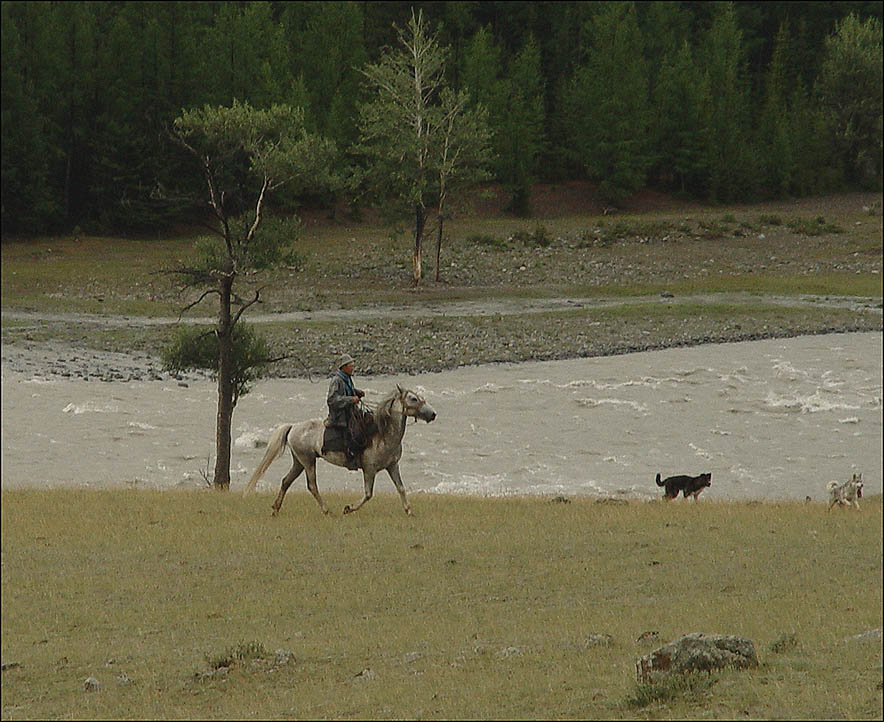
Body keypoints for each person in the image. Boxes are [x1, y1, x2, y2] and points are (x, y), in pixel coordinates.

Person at [326, 353, 367, 469]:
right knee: (356, 433)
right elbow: (332, 399)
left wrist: (357, 392)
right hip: (340, 415)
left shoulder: (346, 378)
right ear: (344, 367)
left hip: (350, 411)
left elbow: (348, 391)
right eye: (351, 366)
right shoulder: (336, 380)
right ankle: (350, 457)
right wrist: (351, 399)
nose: (353, 368)